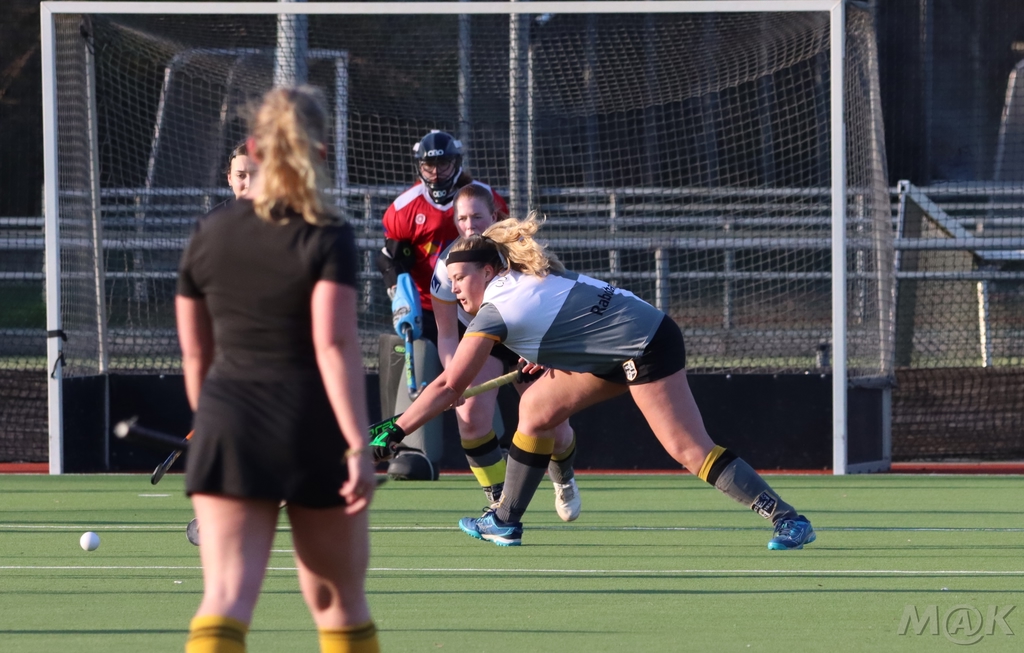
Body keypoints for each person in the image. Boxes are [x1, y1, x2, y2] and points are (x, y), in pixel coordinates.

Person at [370, 214, 816, 551]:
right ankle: (505, 521)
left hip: (646, 344)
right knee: (536, 409)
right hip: (619, 345)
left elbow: (450, 387)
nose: (455, 289)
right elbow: (567, 319)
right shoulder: (523, 278)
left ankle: (788, 520)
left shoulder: (495, 311)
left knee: (689, 449)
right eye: (450, 281)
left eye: (461, 278)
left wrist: (397, 428)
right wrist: (542, 353)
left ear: (488, 272)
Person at [176, 86, 380, 652]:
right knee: (340, 603)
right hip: (308, 425)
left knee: (225, 599)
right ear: (321, 151)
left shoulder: (209, 232)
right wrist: (357, 446)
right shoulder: (327, 231)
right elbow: (334, 345)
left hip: (228, 423)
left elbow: (196, 355)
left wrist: (209, 424)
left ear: (253, 147)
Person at [431, 184, 580, 520]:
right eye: (462, 219)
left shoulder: (519, 253)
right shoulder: (445, 268)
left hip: (527, 339)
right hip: (481, 339)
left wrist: (544, 349)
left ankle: (564, 478)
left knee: (556, 429)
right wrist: (455, 378)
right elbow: (447, 334)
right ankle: (500, 502)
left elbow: (551, 303)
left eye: (477, 217)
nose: (470, 225)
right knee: (470, 419)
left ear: (494, 216)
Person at [376, 130, 508, 475]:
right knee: (429, 367)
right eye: (462, 219)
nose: (436, 172)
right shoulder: (405, 211)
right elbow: (389, 258)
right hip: (432, 307)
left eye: (443, 164)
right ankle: (410, 448)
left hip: (492, 313)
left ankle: (507, 448)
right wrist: (398, 292)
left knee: (543, 414)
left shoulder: (484, 199)